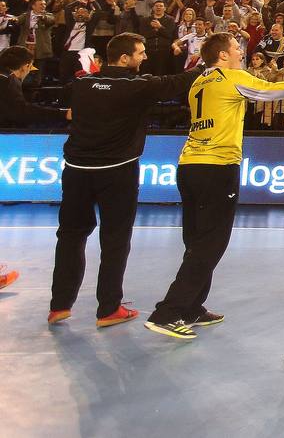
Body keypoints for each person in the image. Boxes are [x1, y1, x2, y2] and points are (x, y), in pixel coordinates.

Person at [145, 33, 284, 339]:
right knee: (211, 243)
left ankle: (192, 306)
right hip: (218, 166)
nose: (240, 52)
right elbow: (271, 91)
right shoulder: (231, 78)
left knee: (196, 240)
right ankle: (168, 312)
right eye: (235, 48)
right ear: (221, 56)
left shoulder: (199, 82)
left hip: (189, 165)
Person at [48, 34, 203, 327]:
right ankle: (108, 309)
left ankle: (59, 306)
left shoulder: (81, 85)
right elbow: (175, 82)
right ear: (124, 59)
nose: (144, 57)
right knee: (115, 239)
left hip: (76, 171)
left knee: (70, 236)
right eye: (141, 53)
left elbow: (78, 92)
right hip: (117, 173)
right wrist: (203, 66)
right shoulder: (136, 87)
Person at [0, 46, 68, 293]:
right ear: (25, 66)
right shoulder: (8, 82)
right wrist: (62, 114)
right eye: (30, 67)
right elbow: (21, 112)